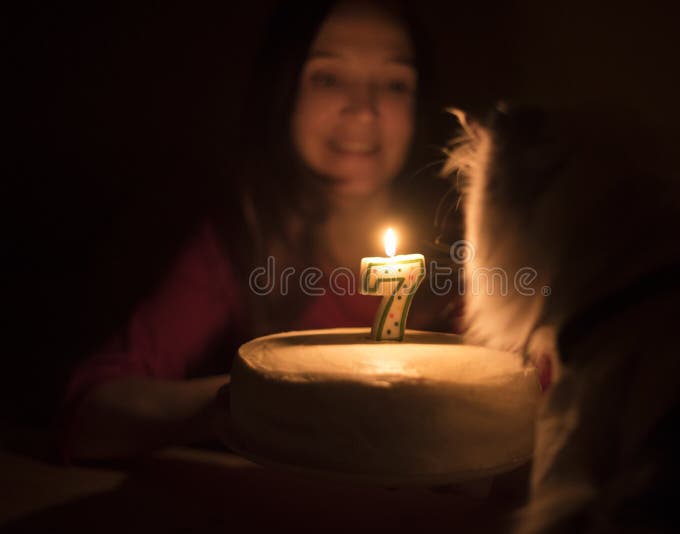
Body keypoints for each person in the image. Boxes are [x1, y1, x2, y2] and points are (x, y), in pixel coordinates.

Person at [60, 0, 458, 461]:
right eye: (327, 78)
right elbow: (89, 413)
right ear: (282, 91)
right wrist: (250, 400)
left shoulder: (469, 250)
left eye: (393, 84)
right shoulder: (241, 243)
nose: (364, 109)